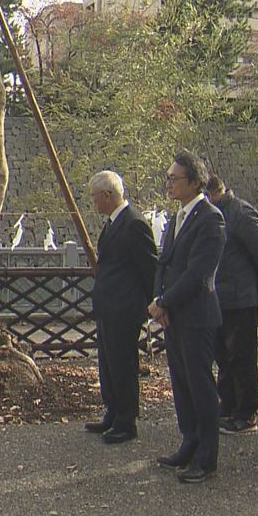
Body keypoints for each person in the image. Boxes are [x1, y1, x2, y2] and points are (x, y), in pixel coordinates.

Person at [149, 150, 226, 484]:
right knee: (180, 383)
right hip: (174, 313)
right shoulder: (177, 216)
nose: (169, 184)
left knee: (200, 385)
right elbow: (164, 263)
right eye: (168, 177)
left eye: (175, 178)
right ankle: (189, 440)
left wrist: (166, 301)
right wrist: (159, 299)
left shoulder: (210, 218)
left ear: (195, 182)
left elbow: (198, 273)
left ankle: (207, 456)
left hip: (197, 315)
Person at [84, 170, 157, 444]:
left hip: (124, 307)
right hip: (108, 306)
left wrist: (149, 304)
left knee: (123, 364)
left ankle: (127, 419)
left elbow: (149, 267)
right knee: (108, 363)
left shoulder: (134, 223)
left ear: (107, 195)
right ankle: (113, 411)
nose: (93, 202)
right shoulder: (113, 223)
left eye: (94, 197)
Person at [205, 174, 258, 435]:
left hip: (240, 296)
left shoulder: (240, 213)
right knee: (222, 356)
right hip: (218, 296)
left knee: (241, 357)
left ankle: (246, 412)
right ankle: (229, 404)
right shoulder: (213, 214)